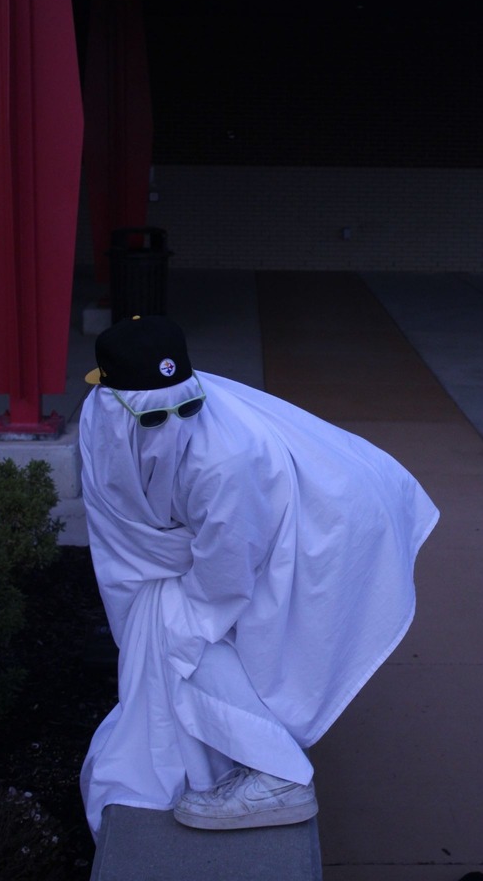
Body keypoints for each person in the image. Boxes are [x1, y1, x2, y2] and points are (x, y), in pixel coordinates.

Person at [79, 314, 439, 838]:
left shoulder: (223, 459)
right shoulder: (112, 417)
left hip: (330, 529)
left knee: (180, 635)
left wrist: (173, 625)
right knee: (173, 625)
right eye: (155, 419)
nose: (173, 427)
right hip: (266, 519)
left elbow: (223, 581)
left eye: (186, 410)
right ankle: (236, 742)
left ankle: (280, 776)